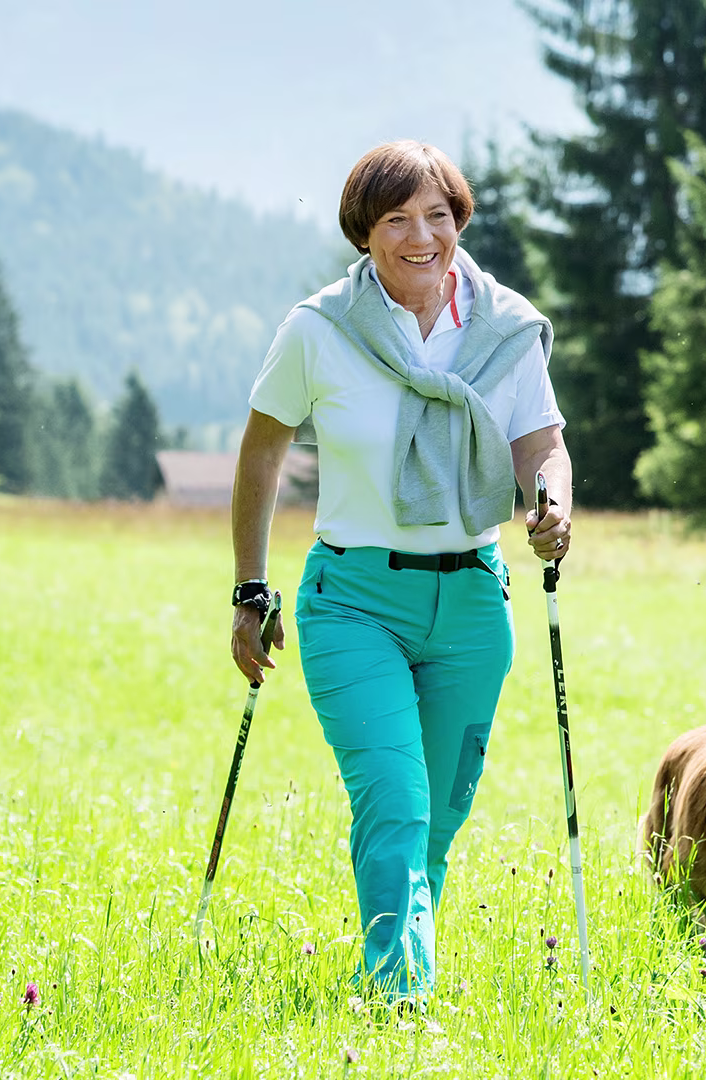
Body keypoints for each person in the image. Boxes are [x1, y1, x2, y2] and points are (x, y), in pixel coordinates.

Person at [230, 140, 572, 1004]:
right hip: (353, 601)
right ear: (363, 233)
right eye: (397, 220)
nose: (422, 236)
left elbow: (542, 443)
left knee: (441, 815)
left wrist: (552, 502)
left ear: (458, 222)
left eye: (438, 216)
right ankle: (397, 1002)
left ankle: (401, 968)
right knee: (396, 801)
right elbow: (263, 453)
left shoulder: (505, 328)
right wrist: (249, 588)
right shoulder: (319, 329)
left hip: (470, 603)